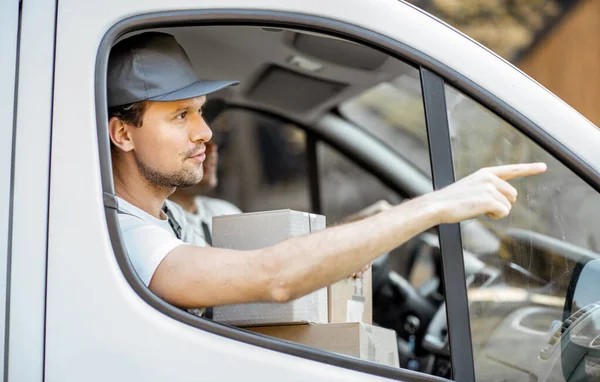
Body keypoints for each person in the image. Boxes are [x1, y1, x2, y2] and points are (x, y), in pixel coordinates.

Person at [107, 31, 547, 316]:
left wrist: (360, 230)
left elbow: (267, 263)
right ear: (123, 134)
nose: (204, 132)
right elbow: (272, 276)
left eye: (199, 113)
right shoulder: (130, 238)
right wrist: (435, 206)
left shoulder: (169, 221)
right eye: (180, 115)